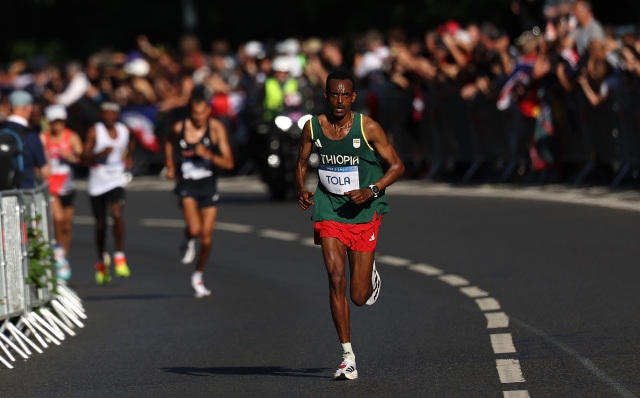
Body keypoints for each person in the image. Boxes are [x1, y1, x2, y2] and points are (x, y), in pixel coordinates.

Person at [295, 70, 404, 380]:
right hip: (329, 208)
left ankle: (369, 275)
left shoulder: (367, 127)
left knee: (358, 296)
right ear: (326, 96)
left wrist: (371, 190)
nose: (339, 100)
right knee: (335, 277)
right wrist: (300, 189)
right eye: (334, 95)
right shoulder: (312, 127)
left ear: (353, 97)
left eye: (345, 95)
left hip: (364, 212)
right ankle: (347, 356)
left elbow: (397, 166)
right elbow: (301, 162)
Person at [164, 88, 234, 298]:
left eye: (203, 114)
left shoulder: (215, 129)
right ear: (189, 113)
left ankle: (198, 274)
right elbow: (168, 141)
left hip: (208, 186)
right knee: (194, 229)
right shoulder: (180, 128)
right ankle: (187, 240)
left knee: (206, 239)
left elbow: (229, 163)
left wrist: (209, 155)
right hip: (187, 185)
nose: (199, 119)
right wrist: (169, 163)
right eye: (195, 115)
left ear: (208, 112)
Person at [83, 102, 134, 285]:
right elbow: (83, 156)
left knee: (117, 213)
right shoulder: (95, 131)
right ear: (101, 114)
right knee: (100, 224)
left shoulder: (124, 130)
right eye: (106, 114)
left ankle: (119, 255)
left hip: (116, 179)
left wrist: (129, 158)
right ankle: (101, 260)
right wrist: (99, 153)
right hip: (98, 180)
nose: (109, 117)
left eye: (113, 113)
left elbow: (130, 144)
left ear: (117, 115)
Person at [40, 105, 83, 281]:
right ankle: (58, 250)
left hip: (67, 183)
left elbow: (80, 157)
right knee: (57, 219)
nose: (58, 125)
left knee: (67, 225)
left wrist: (71, 157)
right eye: (54, 122)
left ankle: (64, 256)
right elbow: (40, 158)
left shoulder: (71, 136)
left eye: (61, 121)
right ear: (49, 123)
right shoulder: (45, 138)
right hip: (51, 184)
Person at [3, 90, 50, 189]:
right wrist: (43, 145)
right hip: (23, 192)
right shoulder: (31, 135)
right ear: (29, 108)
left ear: (9, 106)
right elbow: (45, 171)